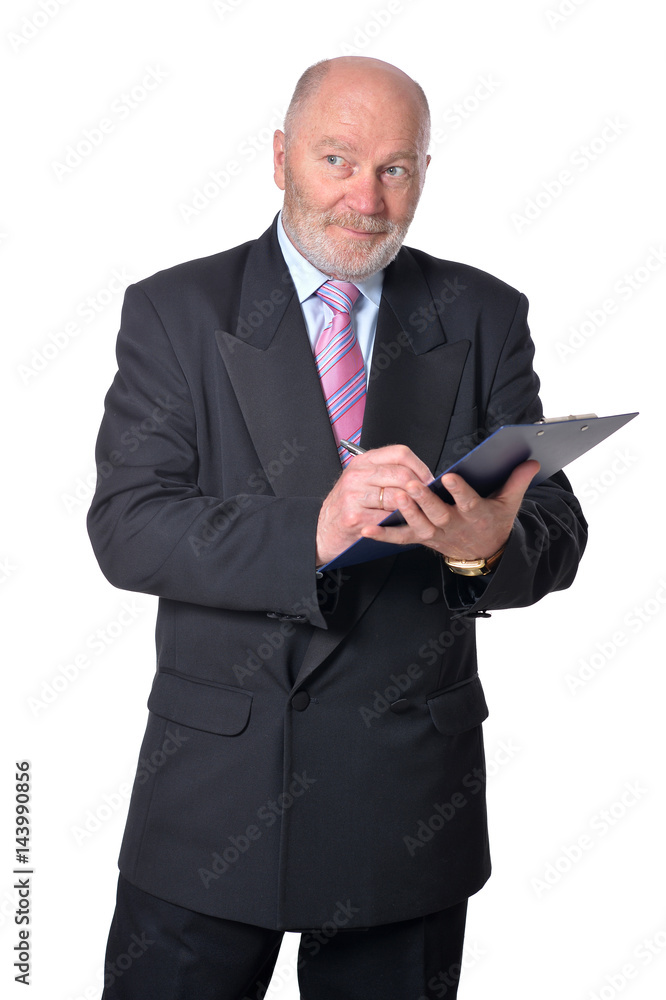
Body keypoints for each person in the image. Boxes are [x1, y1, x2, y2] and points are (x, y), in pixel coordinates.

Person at [87, 56, 587, 1000]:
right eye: (337, 160)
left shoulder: (484, 313)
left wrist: (480, 546)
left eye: (396, 168)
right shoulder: (176, 309)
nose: (367, 199)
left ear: (425, 173)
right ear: (280, 156)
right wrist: (311, 532)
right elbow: (128, 526)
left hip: (405, 801)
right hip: (213, 795)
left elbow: (556, 531)